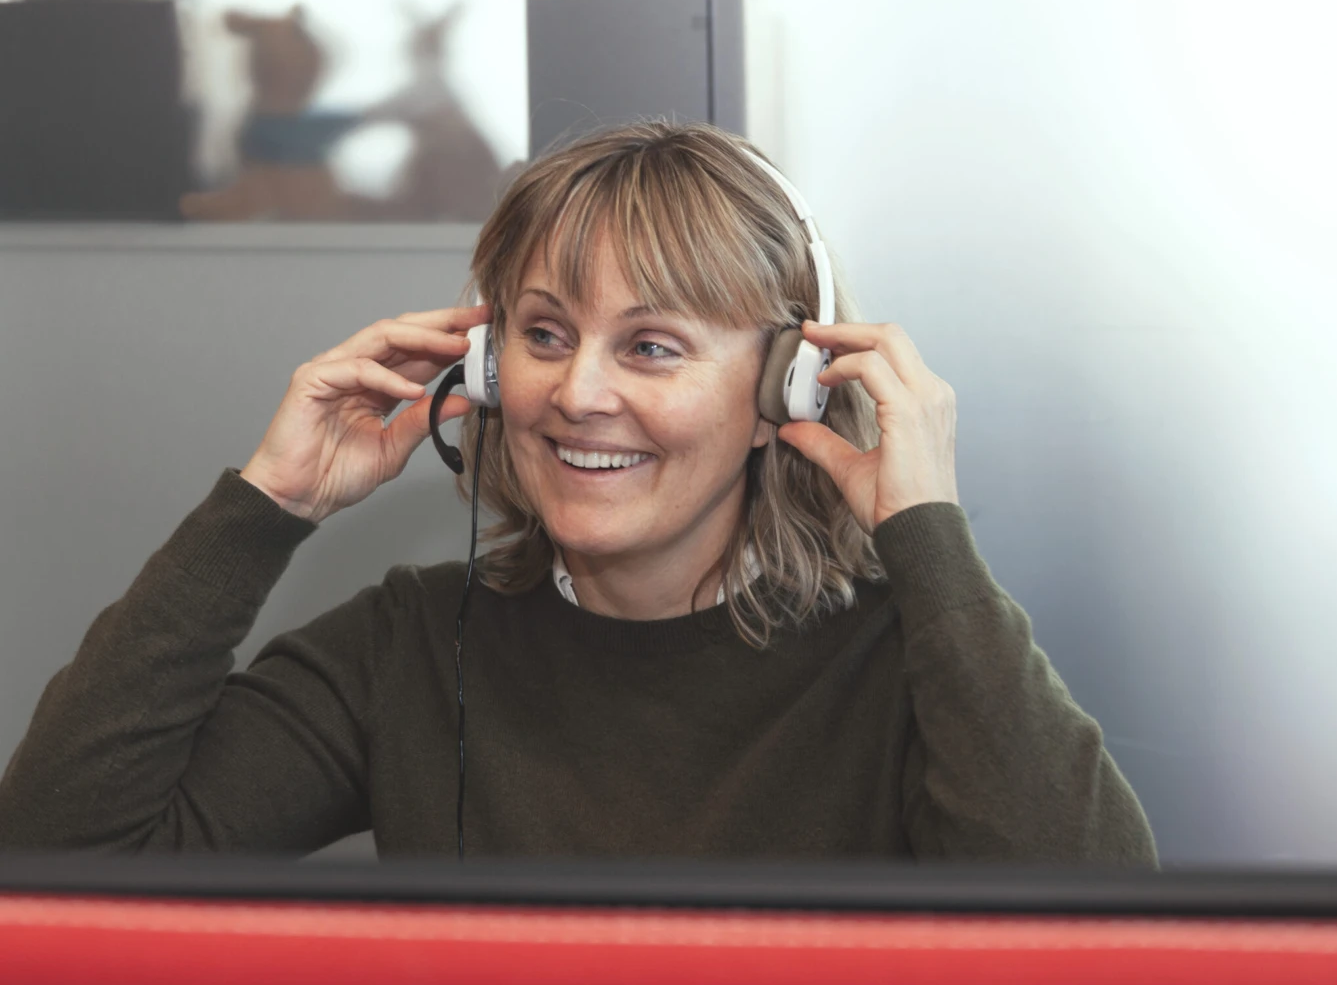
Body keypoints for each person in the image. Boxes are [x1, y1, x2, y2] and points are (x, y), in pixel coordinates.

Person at [0, 122, 1156, 864]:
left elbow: (1102, 941)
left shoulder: (912, 665)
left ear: (785, 389)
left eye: (651, 346)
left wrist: (927, 541)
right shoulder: (411, 646)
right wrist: (266, 505)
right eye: (545, 334)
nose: (577, 393)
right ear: (486, 365)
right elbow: (61, 854)